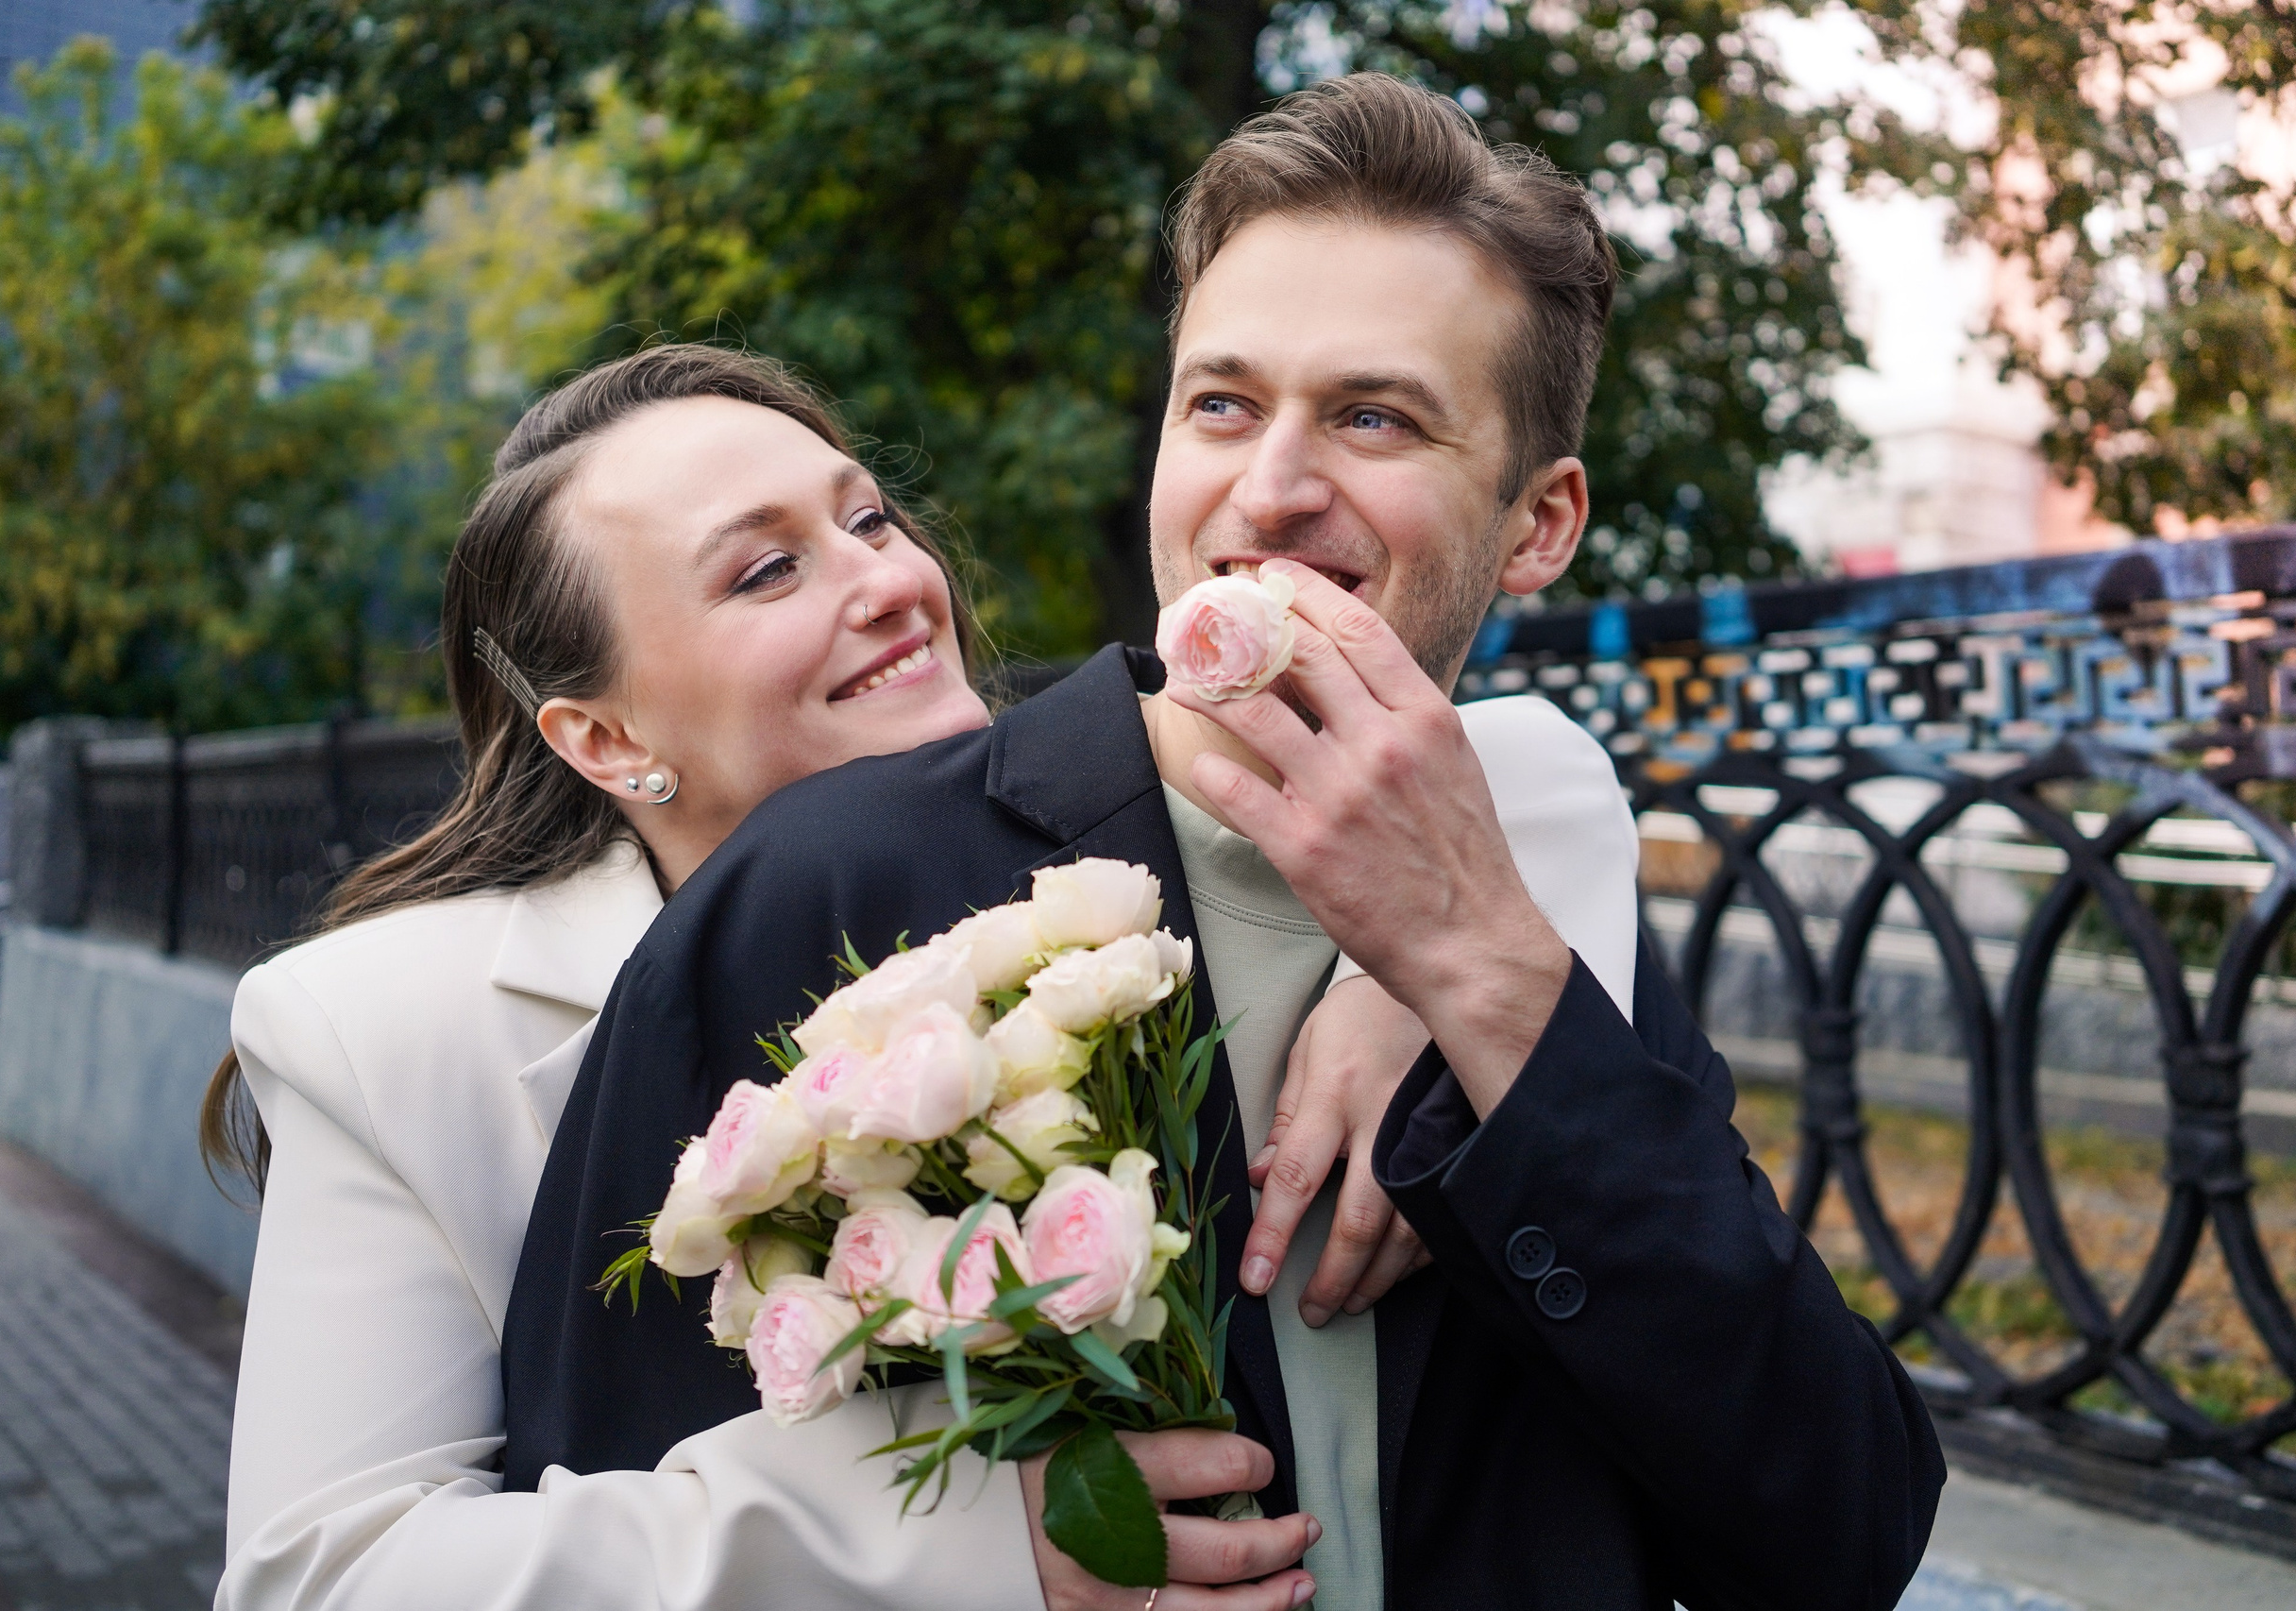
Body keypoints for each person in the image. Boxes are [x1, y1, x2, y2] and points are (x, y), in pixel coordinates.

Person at [502, 74, 1945, 1611]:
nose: (1267, 492)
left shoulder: (1537, 909)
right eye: (1224, 405)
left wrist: (1491, 977)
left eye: (1374, 416)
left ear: (1540, 522)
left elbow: (1836, 1532)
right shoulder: (822, 888)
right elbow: (597, 1495)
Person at [211, 342, 1567, 1611]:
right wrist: (962, 1539)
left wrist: (1415, 976)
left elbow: (1533, 761)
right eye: (764, 573)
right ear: (606, 736)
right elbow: (326, 1573)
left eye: (866, 520)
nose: (890, 581)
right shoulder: (381, 1024)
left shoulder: (1073, 846)